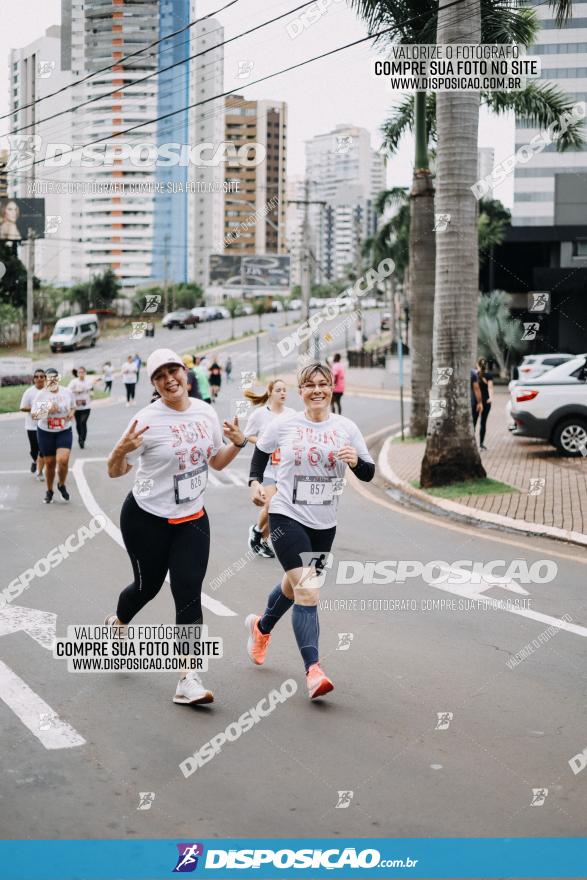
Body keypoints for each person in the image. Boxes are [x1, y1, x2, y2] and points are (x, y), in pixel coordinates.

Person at [105, 348, 249, 705]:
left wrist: (238, 444)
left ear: (186, 374)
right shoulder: (146, 420)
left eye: (174, 371)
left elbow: (216, 462)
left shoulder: (205, 412)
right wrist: (119, 451)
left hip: (192, 519)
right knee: (146, 587)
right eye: (160, 376)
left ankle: (188, 677)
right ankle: (118, 624)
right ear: (154, 384)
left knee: (188, 592)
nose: (169, 379)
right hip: (145, 519)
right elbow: (115, 471)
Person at [246, 362, 375, 700]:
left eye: (323, 384)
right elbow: (260, 451)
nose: (317, 390)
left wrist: (355, 462)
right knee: (308, 589)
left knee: (293, 586)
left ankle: (261, 628)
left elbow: (369, 473)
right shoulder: (284, 423)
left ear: (331, 388)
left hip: (324, 524)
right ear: (301, 391)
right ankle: (314, 671)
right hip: (285, 514)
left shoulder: (346, 427)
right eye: (309, 385)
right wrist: (254, 482)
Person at [243, 378, 295, 558]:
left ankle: (261, 539)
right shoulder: (259, 415)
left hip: (285, 469)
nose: (283, 393)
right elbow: (247, 435)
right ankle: (257, 532)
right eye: (279, 390)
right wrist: (266, 443)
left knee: (280, 508)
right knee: (273, 504)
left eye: (285, 390)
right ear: (270, 393)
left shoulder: (292, 415)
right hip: (266, 468)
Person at [31, 367, 75, 504]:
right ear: (46, 380)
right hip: (46, 432)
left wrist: (71, 413)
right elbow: (34, 415)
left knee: (63, 460)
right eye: (49, 378)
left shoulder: (67, 392)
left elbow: (73, 406)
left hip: (64, 430)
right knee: (50, 464)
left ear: (58, 378)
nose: (52, 381)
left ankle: (61, 484)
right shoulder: (41, 395)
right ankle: (49, 490)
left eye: (55, 378)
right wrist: (48, 409)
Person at [19, 368, 46, 478]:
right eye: (36, 376)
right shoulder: (29, 392)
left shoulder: (48, 391)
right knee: (34, 449)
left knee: (43, 449)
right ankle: (35, 461)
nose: (39, 378)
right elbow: (22, 408)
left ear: (45, 378)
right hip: (32, 426)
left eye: (41, 376)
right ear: (33, 379)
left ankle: (40, 471)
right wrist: (35, 409)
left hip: (45, 426)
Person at [68, 366, 100, 449]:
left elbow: (92, 388)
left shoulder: (88, 382)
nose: (81, 374)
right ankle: (80, 437)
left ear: (85, 373)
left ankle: (82, 440)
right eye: (79, 372)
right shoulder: (74, 382)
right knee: (78, 424)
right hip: (76, 406)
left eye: (83, 372)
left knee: (83, 422)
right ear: (77, 373)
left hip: (86, 406)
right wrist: (76, 391)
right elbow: (68, 391)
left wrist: (92, 394)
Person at [471, 357, 494, 450]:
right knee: (483, 423)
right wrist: (491, 398)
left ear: (477, 364)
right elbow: (490, 387)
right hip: (486, 401)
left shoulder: (474, 374)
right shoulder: (489, 375)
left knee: (473, 422)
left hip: (475, 401)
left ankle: (472, 444)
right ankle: (481, 444)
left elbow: (473, 388)